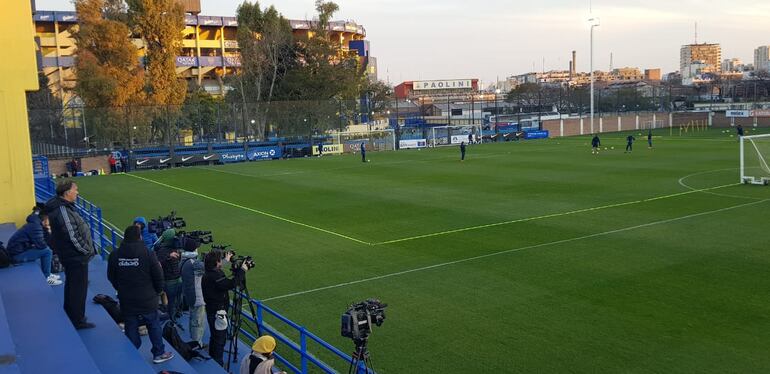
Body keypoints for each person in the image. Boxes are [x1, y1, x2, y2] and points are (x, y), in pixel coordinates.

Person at [107, 225, 174, 364]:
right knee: (154, 325)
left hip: (127, 300)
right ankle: (159, 353)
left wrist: (120, 288)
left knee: (131, 326)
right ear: (140, 237)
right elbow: (158, 276)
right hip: (148, 299)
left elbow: (111, 276)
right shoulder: (148, 253)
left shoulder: (115, 255)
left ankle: (132, 354)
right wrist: (157, 291)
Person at [45, 180, 96, 329]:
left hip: (72, 255)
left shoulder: (63, 207)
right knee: (77, 289)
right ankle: (77, 319)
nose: (78, 193)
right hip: (75, 257)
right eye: (76, 190)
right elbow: (71, 235)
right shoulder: (62, 210)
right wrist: (86, 250)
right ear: (67, 192)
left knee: (73, 286)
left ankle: (72, 315)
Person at [202, 250, 247, 366]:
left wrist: (226, 261)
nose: (221, 262)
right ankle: (218, 364)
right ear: (216, 263)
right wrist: (242, 271)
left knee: (215, 336)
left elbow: (223, 279)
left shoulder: (209, 272)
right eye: (219, 260)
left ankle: (213, 359)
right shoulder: (214, 276)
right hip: (218, 311)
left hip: (213, 309)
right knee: (220, 339)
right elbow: (231, 283)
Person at [6, 209, 62, 285]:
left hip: (18, 250)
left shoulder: (35, 223)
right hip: (16, 256)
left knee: (45, 250)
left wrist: (46, 230)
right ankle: (47, 277)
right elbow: (42, 245)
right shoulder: (36, 227)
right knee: (47, 251)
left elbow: (42, 241)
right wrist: (48, 231)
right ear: (45, 219)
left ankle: (47, 273)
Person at [180, 239, 206, 349]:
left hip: (189, 294)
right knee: (198, 321)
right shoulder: (192, 263)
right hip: (196, 296)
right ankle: (197, 344)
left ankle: (194, 340)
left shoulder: (184, 260)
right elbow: (210, 267)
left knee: (193, 318)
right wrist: (224, 259)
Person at [155, 229, 182, 322]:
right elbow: (158, 264)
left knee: (177, 300)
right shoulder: (162, 250)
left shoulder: (173, 248)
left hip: (176, 279)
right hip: (170, 280)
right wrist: (168, 257)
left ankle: (175, 313)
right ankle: (172, 318)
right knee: (172, 301)